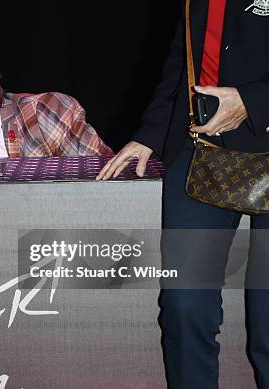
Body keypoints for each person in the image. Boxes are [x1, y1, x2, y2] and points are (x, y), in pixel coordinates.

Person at [98, 0, 269, 388]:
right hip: (202, 149)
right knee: (185, 305)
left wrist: (252, 101)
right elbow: (182, 61)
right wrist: (151, 133)